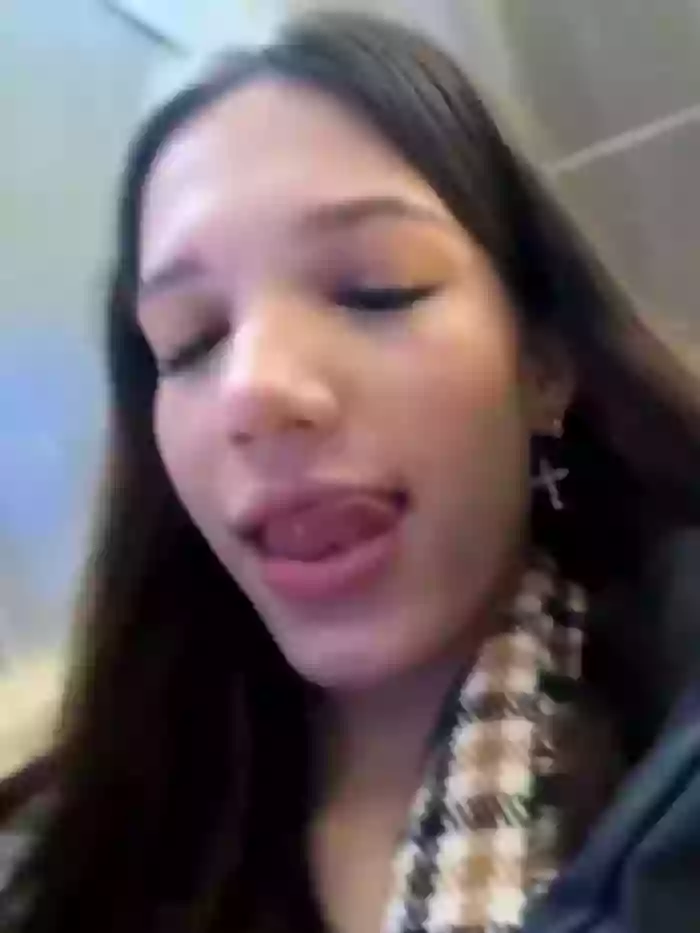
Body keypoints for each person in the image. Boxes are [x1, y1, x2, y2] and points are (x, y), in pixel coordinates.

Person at [2, 11, 700, 933]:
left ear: (540, 365)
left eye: (375, 290)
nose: (253, 391)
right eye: (194, 340)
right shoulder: (69, 858)